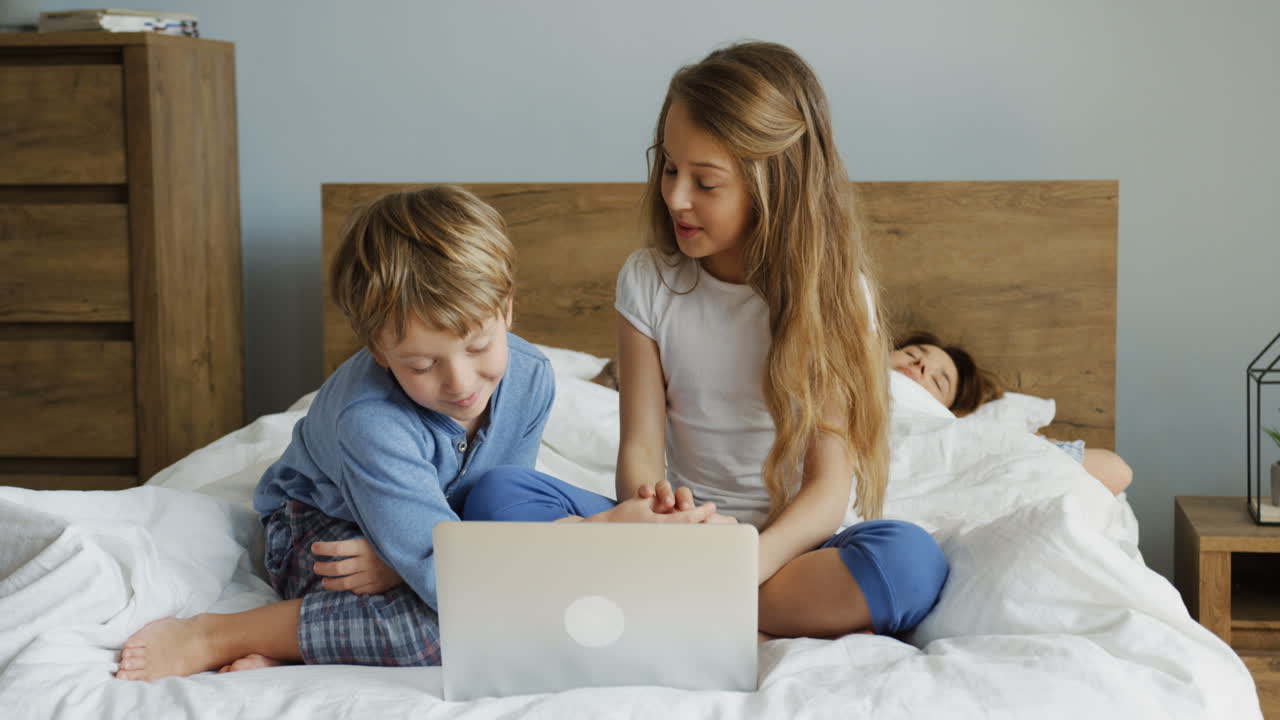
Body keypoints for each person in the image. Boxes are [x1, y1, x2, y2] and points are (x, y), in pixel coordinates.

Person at [115, 185, 719, 682]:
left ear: (507, 310)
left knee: (505, 578)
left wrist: (410, 560)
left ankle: (305, 640)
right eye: (421, 364)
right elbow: (448, 580)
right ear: (377, 349)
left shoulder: (531, 376)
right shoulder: (370, 421)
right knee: (463, 626)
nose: (460, 383)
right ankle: (221, 632)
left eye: (480, 346)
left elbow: (490, 499)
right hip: (325, 528)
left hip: (425, 534)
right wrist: (594, 534)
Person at [459, 42, 950, 641]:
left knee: (910, 563)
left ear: (776, 186)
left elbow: (828, 489)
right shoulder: (649, 282)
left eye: (705, 182)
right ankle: (701, 601)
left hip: (786, 551)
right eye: (669, 168)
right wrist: (655, 512)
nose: (675, 197)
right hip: (681, 536)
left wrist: (746, 564)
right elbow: (640, 447)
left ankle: (668, 602)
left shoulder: (838, 295)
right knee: (495, 496)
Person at [891, 331, 1134, 495]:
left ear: (949, 412)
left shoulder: (960, 434)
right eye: (913, 354)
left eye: (938, 382)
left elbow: (1116, 472)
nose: (921, 366)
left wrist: (1040, 445)